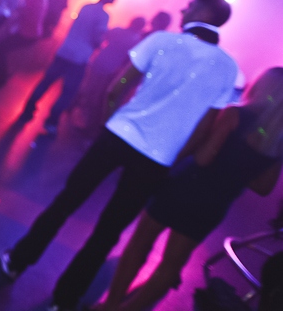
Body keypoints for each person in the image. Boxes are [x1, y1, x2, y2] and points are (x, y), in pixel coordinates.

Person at [0, 0, 239, 311]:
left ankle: (17, 261)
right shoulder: (228, 68)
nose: (184, 9)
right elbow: (206, 126)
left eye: (191, 6)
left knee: (66, 201)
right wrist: (174, 156)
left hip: (117, 136)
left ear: (206, 13)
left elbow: (118, 87)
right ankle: (64, 300)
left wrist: (109, 123)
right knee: (109, 231)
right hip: (158, 159)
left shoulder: (162, 41)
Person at [94, 67, 283, 311]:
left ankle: (110, 305)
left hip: (186, 186)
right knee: (171, 265)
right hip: (215, 203)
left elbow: (203, 158)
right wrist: (237, 171)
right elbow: (264, 187)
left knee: (140, 244)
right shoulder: (278, 141)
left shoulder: (234, 115)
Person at [19, 0, 118, 133]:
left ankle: (26, 112)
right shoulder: (103, 16)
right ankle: (51, 122)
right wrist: (102, 43)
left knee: (45, 82)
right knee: (68, 92)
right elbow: (97, 38)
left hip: (64, 51)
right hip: (79, 58)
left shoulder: (86, 6)